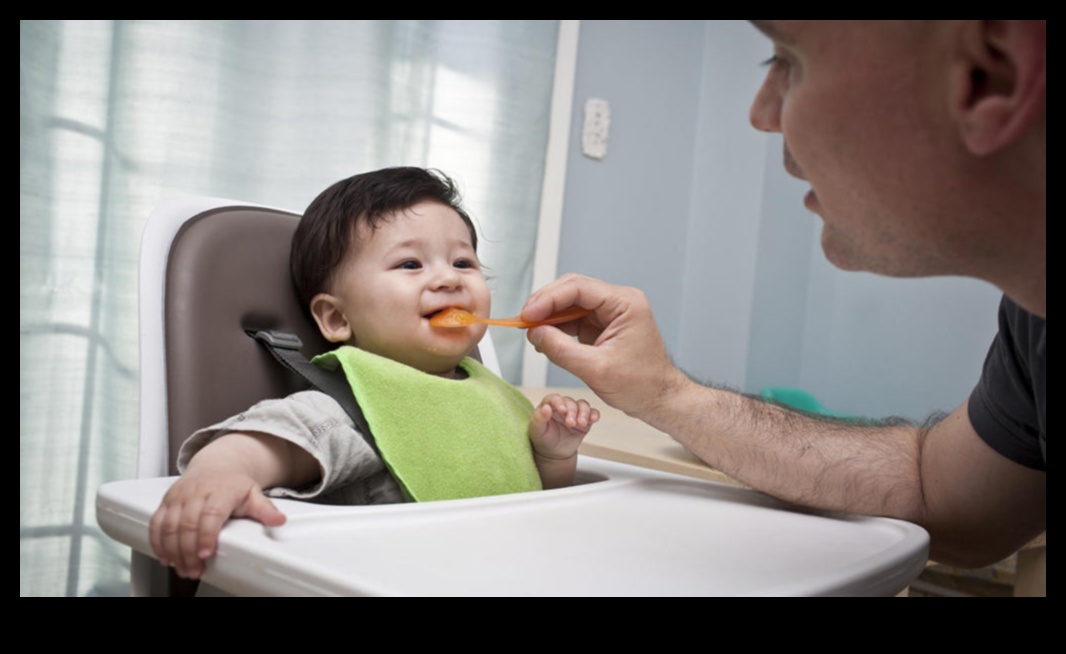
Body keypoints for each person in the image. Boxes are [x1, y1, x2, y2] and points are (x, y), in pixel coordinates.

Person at [520, 21, 1044, 569]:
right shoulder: (1033, 320)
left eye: (788, 61)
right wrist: (662, 393)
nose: (761, 114)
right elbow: (931, 488)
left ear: (990, 77)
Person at [150, 167, 600, 580]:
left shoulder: (494, 396)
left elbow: (535, 502)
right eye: (410, 264)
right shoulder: (357, 407)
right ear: (336, 319)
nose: (449, 279)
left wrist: (554, 456)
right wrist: (217, 476)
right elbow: (268, 440)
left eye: (463, 262)